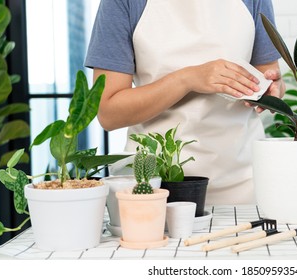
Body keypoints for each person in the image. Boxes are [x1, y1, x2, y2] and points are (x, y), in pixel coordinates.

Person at [85, 0, 285, 205]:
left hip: (243, 183)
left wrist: (272, 88)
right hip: (155, 186)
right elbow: (109, 113)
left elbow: (269, 75)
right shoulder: (122, 3)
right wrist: (187, 79)